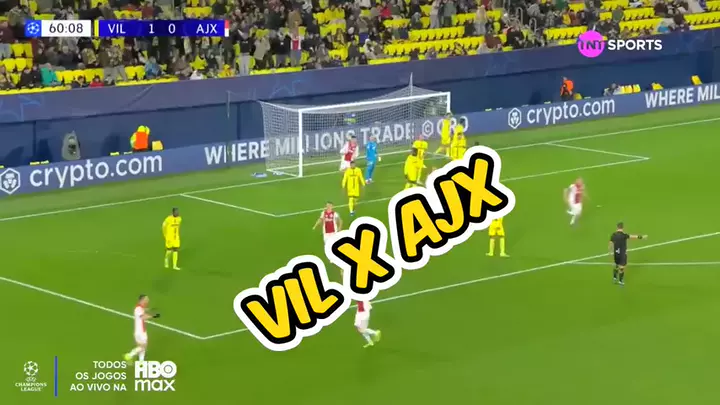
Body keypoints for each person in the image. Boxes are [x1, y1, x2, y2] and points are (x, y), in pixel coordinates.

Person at [124, 295, 159, 364]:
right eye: (146, 299)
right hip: (141, 332)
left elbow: (143, 310)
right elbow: (143, 317)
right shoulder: (138, 309)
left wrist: (148, 309)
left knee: (141, 347)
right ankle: (129, 355)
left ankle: (141, 361)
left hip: (138, 331)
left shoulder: (139, 308)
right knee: (143, 346)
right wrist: (154, 316)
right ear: (142, 300)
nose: (147, 301)